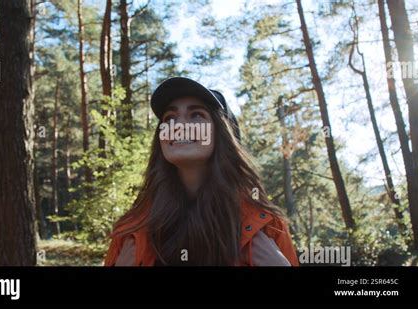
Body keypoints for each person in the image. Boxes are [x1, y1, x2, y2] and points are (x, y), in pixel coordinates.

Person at [104, 77, 299, 266]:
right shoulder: (130, 229)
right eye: (169, 118)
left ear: (221, 134)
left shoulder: (267, 226)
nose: (178, 126)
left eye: (196, 115)